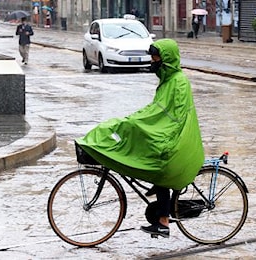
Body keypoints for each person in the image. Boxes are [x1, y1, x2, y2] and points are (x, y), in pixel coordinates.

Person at [75, 38, 205, 238]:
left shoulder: (178, 83)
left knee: (160, 167)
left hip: (176, 140)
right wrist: (136, 119)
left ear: (166, 60)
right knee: (135, 134)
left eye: (155, 58)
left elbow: (173, 118)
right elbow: (157, 108)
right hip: (169, 134)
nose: (152, 62)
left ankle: (163, 223)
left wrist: (144, 125)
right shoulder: (167, 81)